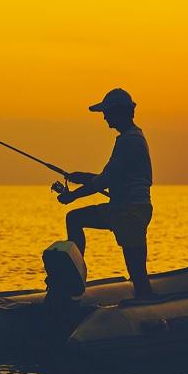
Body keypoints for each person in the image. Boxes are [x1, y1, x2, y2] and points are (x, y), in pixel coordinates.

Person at [56, 88, 154, 298]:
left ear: (119, 112)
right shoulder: (132, 137)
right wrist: (80, 176)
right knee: (74, 218)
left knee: (138, 274)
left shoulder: (129, 141)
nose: (104, 116)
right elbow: (111, 176)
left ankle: (76, 279)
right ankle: (76, 277)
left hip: (130, 213)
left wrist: (73, 196)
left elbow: (105, 180)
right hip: (122, 209)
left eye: (107, 112)